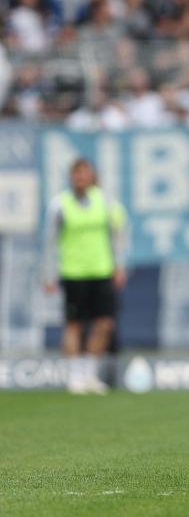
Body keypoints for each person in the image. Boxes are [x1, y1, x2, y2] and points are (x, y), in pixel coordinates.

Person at [42, 158, 128, 394]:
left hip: (101, 270)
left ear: (92, 176)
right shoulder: (60, 204)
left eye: (84, 173)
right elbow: (49, 241)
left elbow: (119, 232)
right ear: (71, 177)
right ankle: (75, 375)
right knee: (74, 324)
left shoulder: (106, 201)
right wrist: (48, 275)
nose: (80, 178)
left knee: (105, 323)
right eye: (76, 174)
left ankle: (90, 373)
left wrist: (119, 265)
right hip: (74, 272)